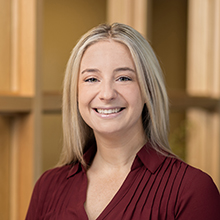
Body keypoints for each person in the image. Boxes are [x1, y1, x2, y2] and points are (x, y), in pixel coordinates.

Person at [26, 23, 220, 220]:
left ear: (147, 90)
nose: (107, 94)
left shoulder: (191, 189)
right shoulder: (48, 187)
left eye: (124, 78)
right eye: (92, 79)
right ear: (75, 93)